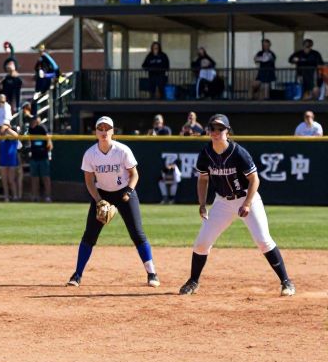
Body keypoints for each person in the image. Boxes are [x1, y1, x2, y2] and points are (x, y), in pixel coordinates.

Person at [179, 114, 294, 297]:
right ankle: (193, 281)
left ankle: (286, 281)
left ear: (227, 131)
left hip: (247, 198)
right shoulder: (205, 153)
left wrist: (247, 203)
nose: (216, 132)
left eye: (220, 129)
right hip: (222, 202)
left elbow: (254, 179)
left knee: (263, 240)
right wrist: (202, 204)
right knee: (201, 244)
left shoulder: (238, 152)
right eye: (212, 128)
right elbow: (202, 179)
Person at [68, 115, 159, 288]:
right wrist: (98, 200)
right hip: (102, 194)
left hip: (124, 192)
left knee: (137, 234)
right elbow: (89, 181)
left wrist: (129, 191)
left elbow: (134, 174)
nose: (103, 132)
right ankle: (77, 274)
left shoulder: (122, 150)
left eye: (107, 129)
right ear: (95, 132)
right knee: (89, 235)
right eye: (100, 129)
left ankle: (152, 273)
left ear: (112, 131)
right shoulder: (90, 154)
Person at [26, 115, 53, 202]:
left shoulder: (42, 128)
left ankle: (48, 196)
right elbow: (29, 141)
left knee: (45, 177)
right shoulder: (30, 129)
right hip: (34, 157)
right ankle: (35, 196)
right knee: (34, 178)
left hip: (43, 157)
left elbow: (49, 142)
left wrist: (48, 151)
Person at [0, 124, 21, 202]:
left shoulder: (13, 139)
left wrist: (7, 129)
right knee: (4, 180)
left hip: (11, 161)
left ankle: (15, 196)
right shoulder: (1, 138)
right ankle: (6, 196)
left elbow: (16, 135)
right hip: (3, 161)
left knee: (11, 180)